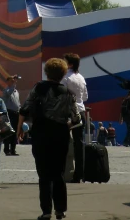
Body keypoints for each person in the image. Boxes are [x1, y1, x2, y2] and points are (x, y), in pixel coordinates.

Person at [18, 57, 80, 220]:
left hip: (41, 133)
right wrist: (65, 124)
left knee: (44, 174)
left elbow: (24, 109)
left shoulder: (39, 88)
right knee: (59, 172)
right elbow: (76, 119)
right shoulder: (68, 93)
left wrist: (19, 130)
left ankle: (46, 211)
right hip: (60, 134)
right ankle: (60, 209)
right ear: (63, 74)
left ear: (47, 72)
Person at [61, 53, 87, 183]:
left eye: (64, 61)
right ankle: (79, 174)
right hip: (81, 111)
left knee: (63, 141)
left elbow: (61, 94)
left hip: (68, 112)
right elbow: (86, 97)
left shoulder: (65, 77)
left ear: (70, 64)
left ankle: (64, 171)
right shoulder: (81, 77)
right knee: (79, 143)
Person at [2, 75, 21, 157]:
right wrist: (13, 84)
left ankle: (13, 149)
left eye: (14, 81)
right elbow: (9, 93)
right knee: (9, 131)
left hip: (16, 113)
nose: (14, 82)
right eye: (11, 81)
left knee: (15, 132)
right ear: (8, 82)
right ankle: (7, 150)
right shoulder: (6, 90)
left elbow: (18, 102)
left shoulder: (16, 91)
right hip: (9, 113)